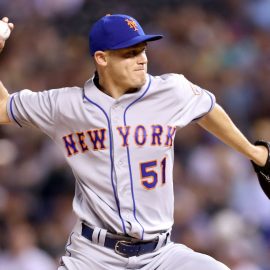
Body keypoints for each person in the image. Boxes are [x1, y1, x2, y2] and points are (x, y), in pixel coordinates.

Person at [0, 14, 268, 270]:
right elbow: (3, 108)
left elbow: (207, 108)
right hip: (94, 255)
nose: (142, 60)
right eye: (130, 53)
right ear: (102, 58)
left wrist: (254, 153)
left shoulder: (170, 90)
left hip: (161, 255)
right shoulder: (65, 105)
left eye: (143, 50)